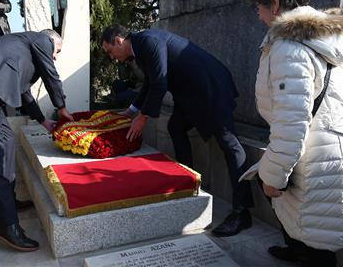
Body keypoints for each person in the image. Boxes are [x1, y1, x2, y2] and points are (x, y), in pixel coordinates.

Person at [101, 24, 254, 237]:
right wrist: (130, 112)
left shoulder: (147, 41)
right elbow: (150, 83)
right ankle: (188, 181)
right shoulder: (139, 48)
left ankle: (242, 211)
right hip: (191, 95)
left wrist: (142, 118)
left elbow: (160, 83)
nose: (112, 57)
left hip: (209, 88)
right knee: (175, 126)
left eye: (110, 51)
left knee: (230, 144)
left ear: (118, 41)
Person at [242, 0, 343, 266]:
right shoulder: (325, 38)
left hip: (311, 156)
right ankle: (296, 250)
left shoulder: (289, 48)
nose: (258, 15)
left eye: (259, 7)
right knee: (305, 222)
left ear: (274, 3)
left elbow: (292, 124)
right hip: (325, 148)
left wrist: (273, 177)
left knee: (316, 238)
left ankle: (304, 254)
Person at [0, 29, 74, 251]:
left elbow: (25, 93)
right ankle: (4, 226)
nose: (55, 56)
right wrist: (62, 107)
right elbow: (51, 73)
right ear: (51, 41)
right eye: (57, 51)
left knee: (6, 140)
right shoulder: (41, 39)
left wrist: (42, 121)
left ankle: (7, 202)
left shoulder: (23, 50)